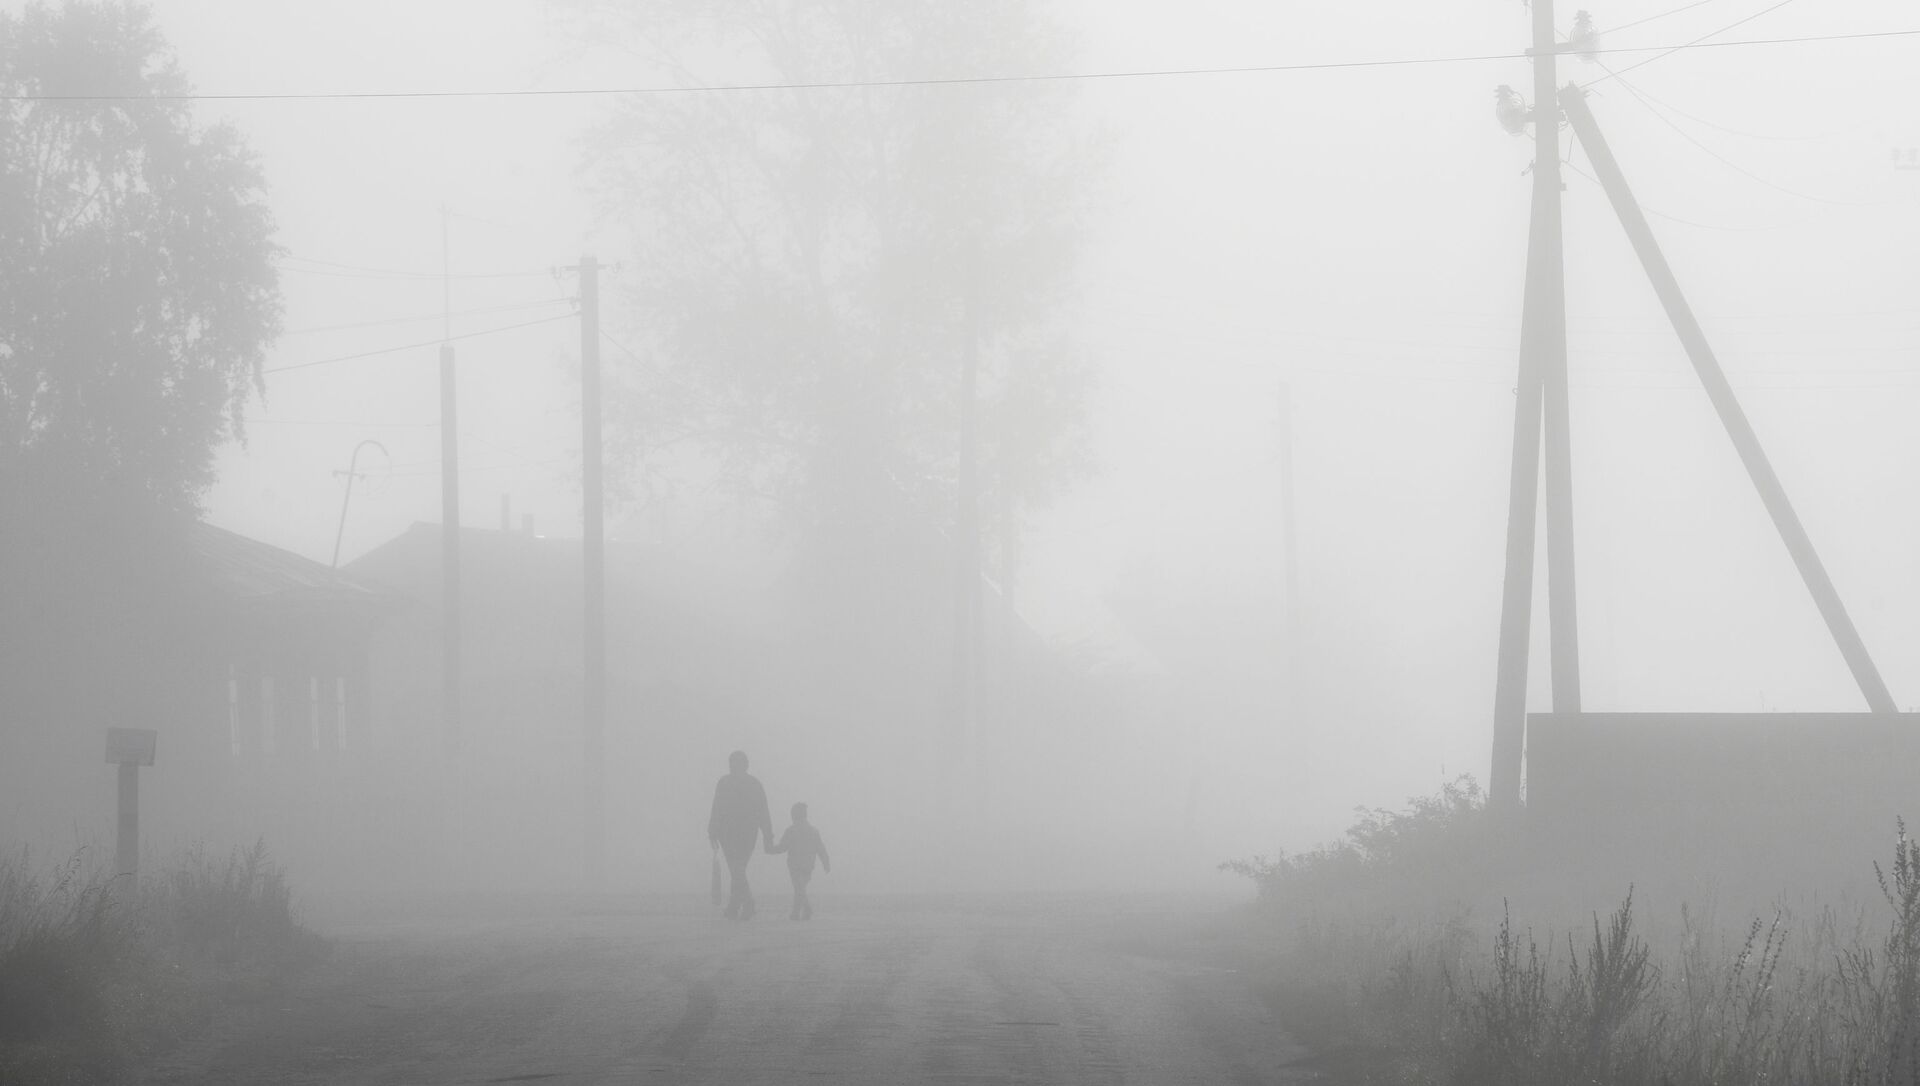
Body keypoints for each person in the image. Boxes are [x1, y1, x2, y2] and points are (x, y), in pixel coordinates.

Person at [707, 750, 774, 920]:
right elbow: (717, 807)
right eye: (731, 763)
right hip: (734, 835)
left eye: (735, 763)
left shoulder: (731, 783)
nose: (733, 766)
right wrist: (712, 830)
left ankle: (747, 904)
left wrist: (767, 835)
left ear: (745, 765)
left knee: (737, 869)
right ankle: (734, 906)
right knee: (737, 869)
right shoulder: (746, 783)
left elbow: (762, 811)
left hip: (739, 834)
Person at [767, 801, 831, 920]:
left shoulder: (791, 831)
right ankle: (806, 910)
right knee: (800, 888)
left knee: (799, 888)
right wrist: (826, 863)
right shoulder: (813, 831)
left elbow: (782, 847)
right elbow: (821, 849)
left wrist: (770, 849)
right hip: (808, 866)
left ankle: (797, 912)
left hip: (795, 866)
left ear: (794, 816)